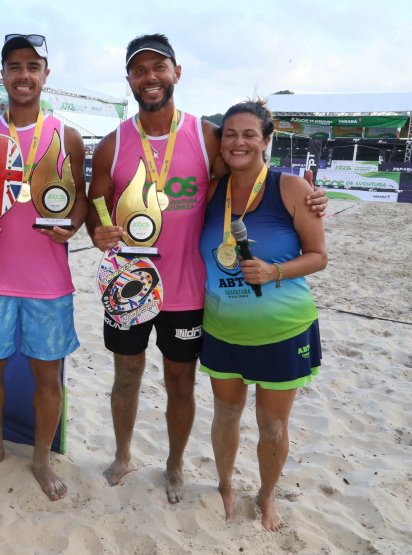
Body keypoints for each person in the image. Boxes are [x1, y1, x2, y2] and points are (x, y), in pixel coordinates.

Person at [85, 33, 328, 504]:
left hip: (188, 291)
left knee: (179, 382)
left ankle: (174, 466)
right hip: (128, 287)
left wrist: (305, 192)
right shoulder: (111, 144)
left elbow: (247, 171)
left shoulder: (205, 135)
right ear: (130, 79)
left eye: (160, 67)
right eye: (140, 69)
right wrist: (97, 230)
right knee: (126, 375)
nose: (150, 76)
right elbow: (95, 201)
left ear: (177, 73)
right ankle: (122, 454)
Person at [0, 34, 87, 501]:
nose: (24, 74)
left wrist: (71, 226)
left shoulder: (66, 135)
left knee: (47, 377)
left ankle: (41, 459)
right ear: (3, 75)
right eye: (15, 66)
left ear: (46, 74)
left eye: (33, 66)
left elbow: (80, 202)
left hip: (48, 282)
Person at [200, 100, 326, 531]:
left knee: (272, 425)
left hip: (282, 331)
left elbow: (319, 256)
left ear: (266, 141)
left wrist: (275, 271)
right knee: (226, 416)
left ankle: (267, 495)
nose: (238, 142)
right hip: (222, 329)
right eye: (229, 134)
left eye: (249, 134)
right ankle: (224, 484)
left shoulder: (290, 188)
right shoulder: (211, 190)